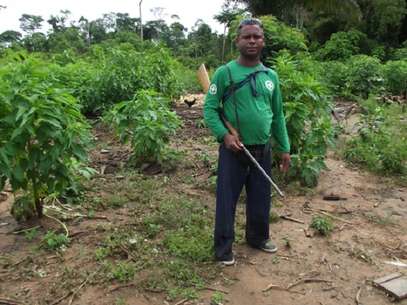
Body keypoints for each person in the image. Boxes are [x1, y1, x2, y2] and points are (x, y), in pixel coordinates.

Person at [203, 18, 291, 265]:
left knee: (261, 197)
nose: (252, 41)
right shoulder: (225, 73)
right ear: (237, 41)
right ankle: (223, 249)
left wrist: (284, 148)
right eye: (247, 37)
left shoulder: (270, 76)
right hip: (234, 150)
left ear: (263, 41)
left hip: (263, 149)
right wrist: (225, 135)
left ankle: (258, 237)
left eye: (257, 37)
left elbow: (278, 115)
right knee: (226, 200)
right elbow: (210, 109)